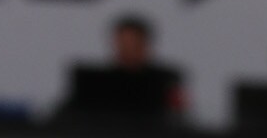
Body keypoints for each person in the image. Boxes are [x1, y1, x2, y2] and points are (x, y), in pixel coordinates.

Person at [59, 15, 188, 125]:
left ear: (145, 45)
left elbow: (177, 119)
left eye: (133, 44)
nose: (127, 49)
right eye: (123, 43)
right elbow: (65, 115)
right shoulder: (94, 83)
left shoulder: (165, 81)